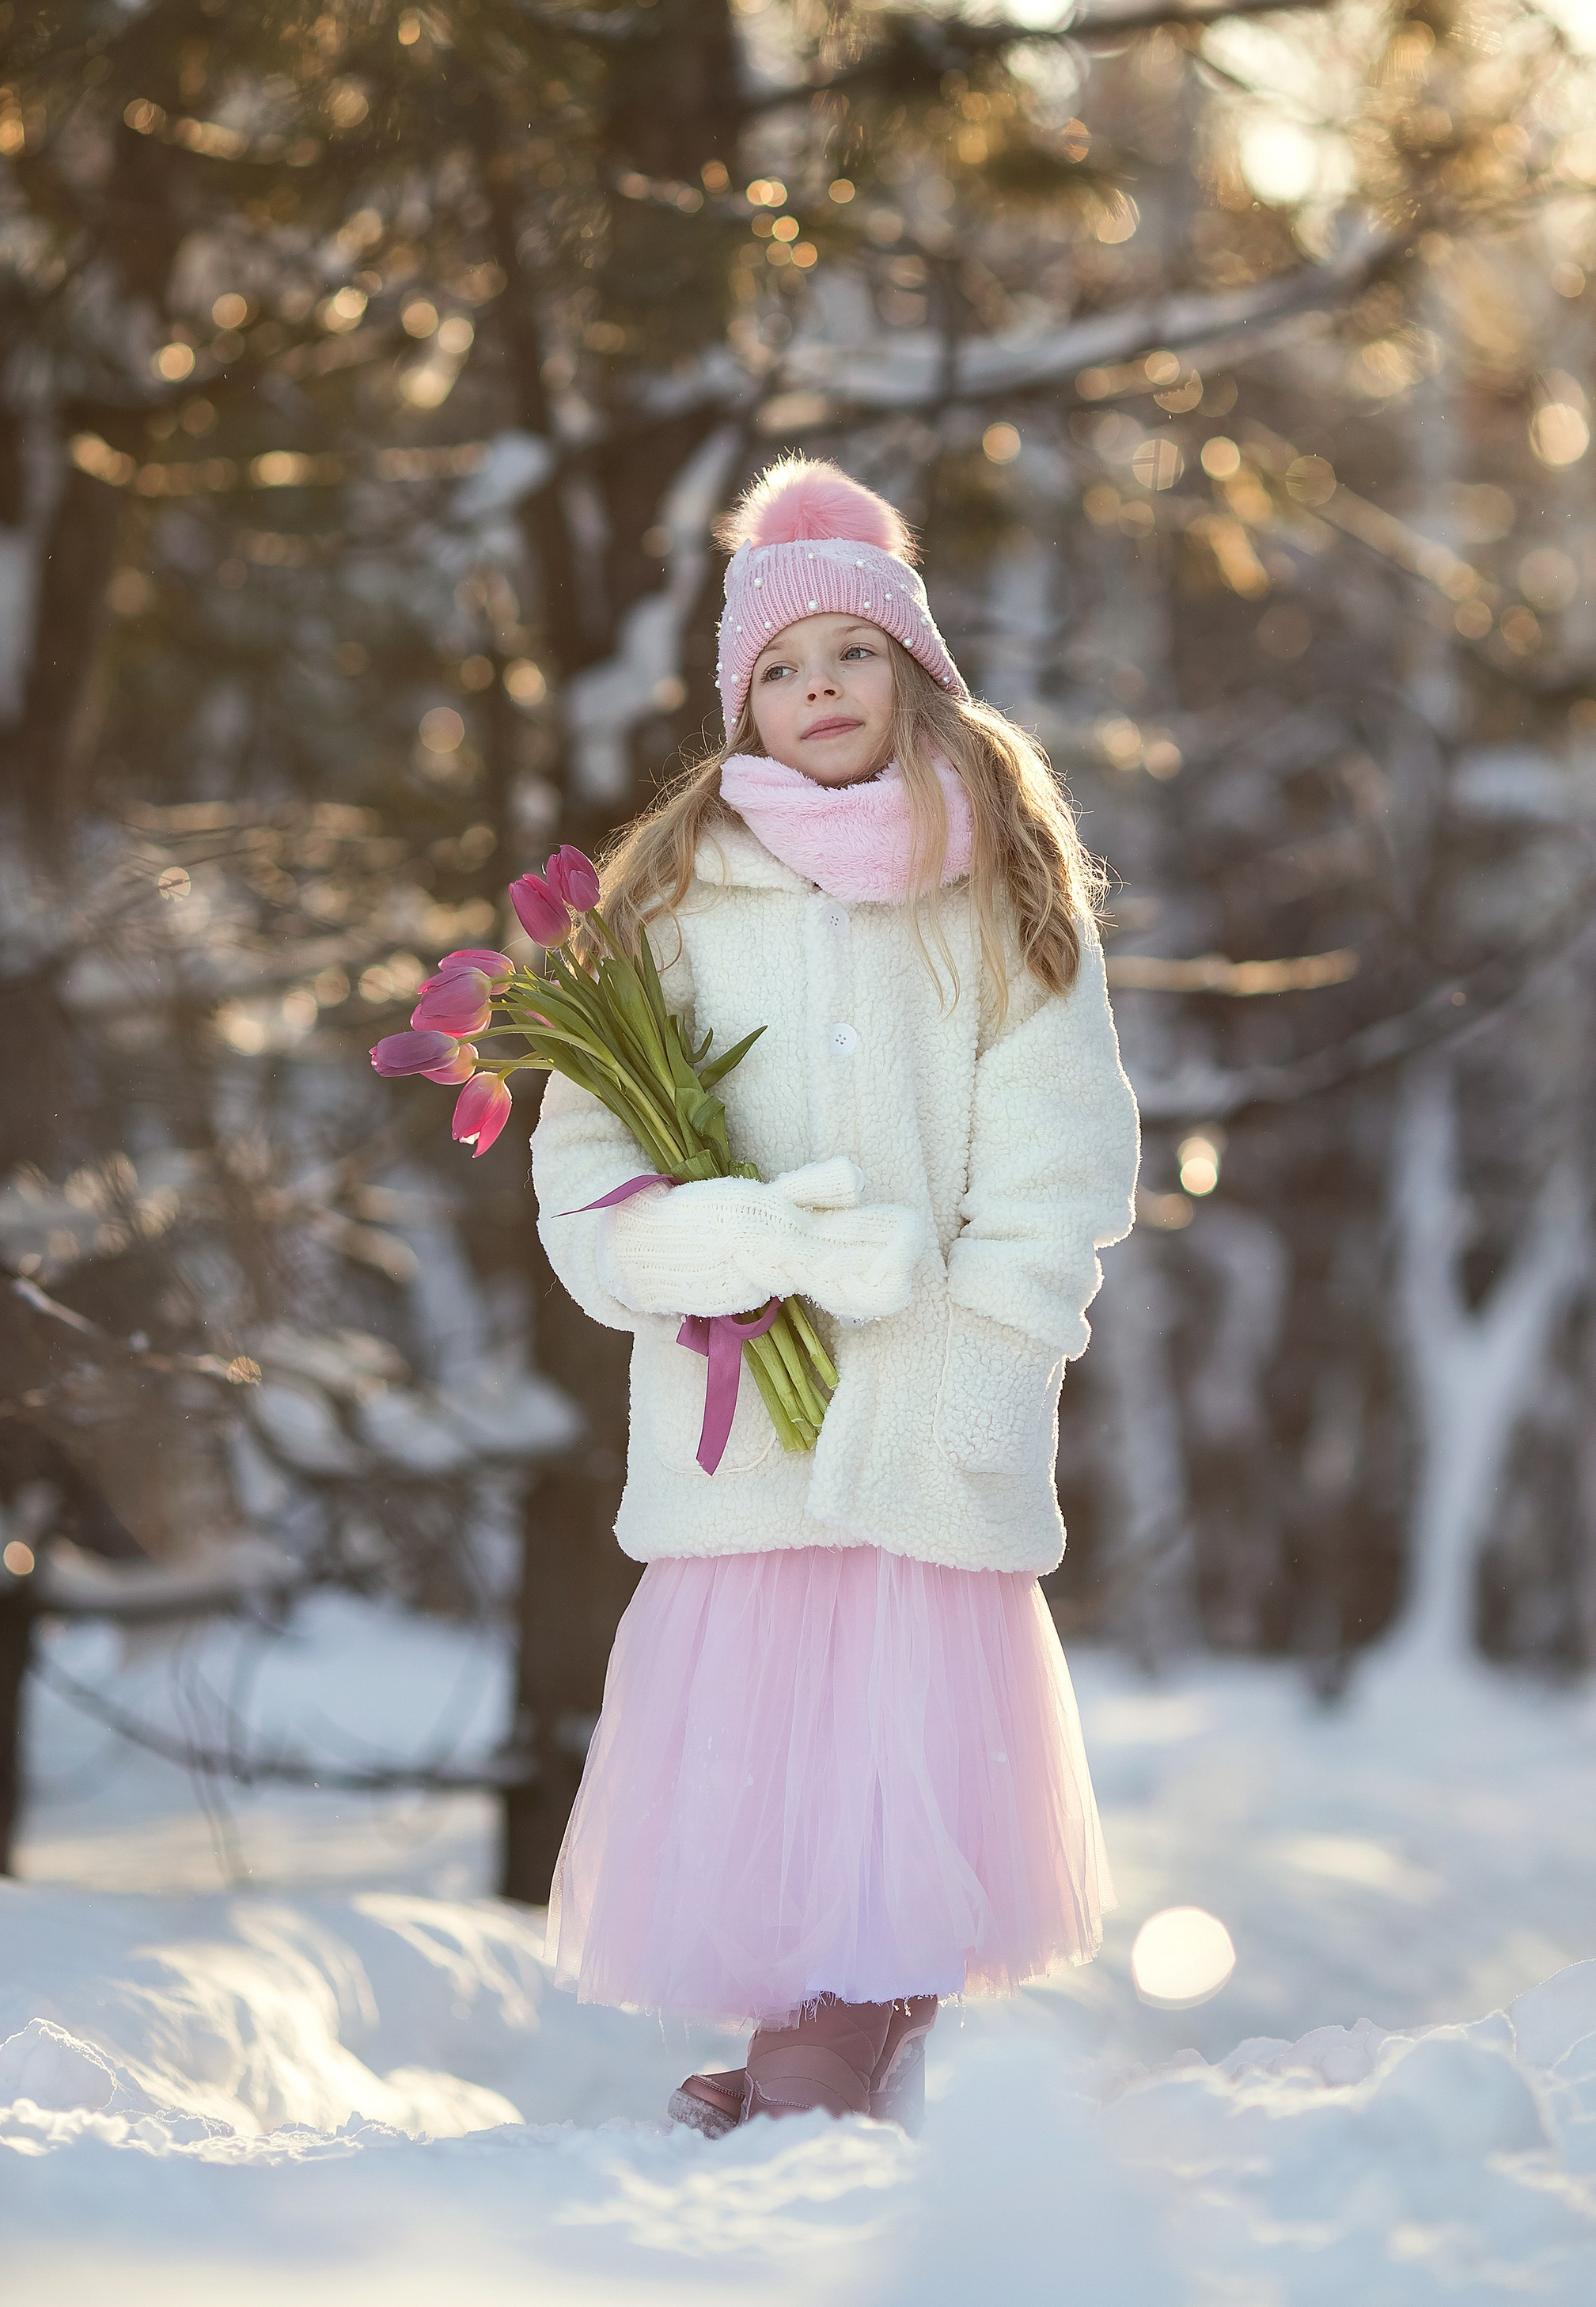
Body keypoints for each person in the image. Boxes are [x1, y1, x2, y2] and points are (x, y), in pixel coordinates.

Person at [531, 454, 1141, 2134]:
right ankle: (801, 2034)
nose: (820, 688)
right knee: (772, 1750)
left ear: (915, 667)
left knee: (898, 1741)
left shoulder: (999, 879)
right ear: (743, 702)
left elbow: (1060, 1153)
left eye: (853, 653)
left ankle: (843, 2040)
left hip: (924, 1400)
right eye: (783, 667)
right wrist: (737, 1246)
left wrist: (986, 1344)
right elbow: (586, 1169)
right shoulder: (669, 901)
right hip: (747, 1415)